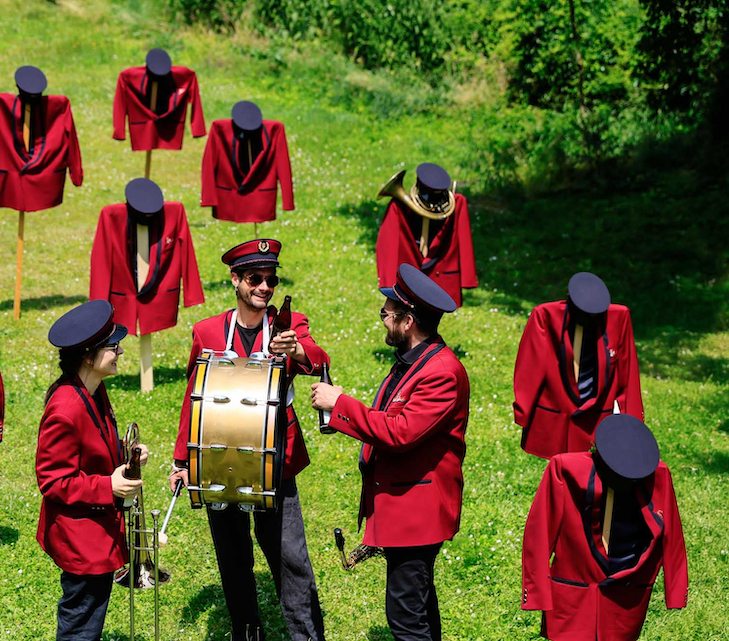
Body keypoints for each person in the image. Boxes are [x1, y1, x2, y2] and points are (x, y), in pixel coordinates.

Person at [171, 239, 329, 641]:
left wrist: (295, 351)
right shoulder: (207, 331)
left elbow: (318, 357)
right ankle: (247, 631)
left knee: (291, 559)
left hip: (274, 460)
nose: (264, 287)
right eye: (255, 279)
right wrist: (181, 461)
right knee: (232, 555)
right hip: (217, 457)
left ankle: (307, 636)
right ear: (236, 280)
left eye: (271, 280)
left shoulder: (286, 325)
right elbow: (194, 397)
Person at [311, 264, 470, 640]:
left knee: (405, 618)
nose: (383, 321)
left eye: (387, 314)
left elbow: (400, 433)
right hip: (405, 505)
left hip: (418, 512)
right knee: (418, 605)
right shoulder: (416, 361)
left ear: (408, 321)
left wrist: (340, 405)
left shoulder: (441, 373)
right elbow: (391, 417)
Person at [36, 300, 148, 640]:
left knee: (91, 614)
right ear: (88, 356)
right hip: (80, 538)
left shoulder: (93, 390)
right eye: (112, 347)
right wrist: (108, 486)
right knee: (81, 622)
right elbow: (53, 481)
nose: (120, 352)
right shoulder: (65, 409)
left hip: (96, 531)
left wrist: (127, 457)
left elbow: (93, 446)